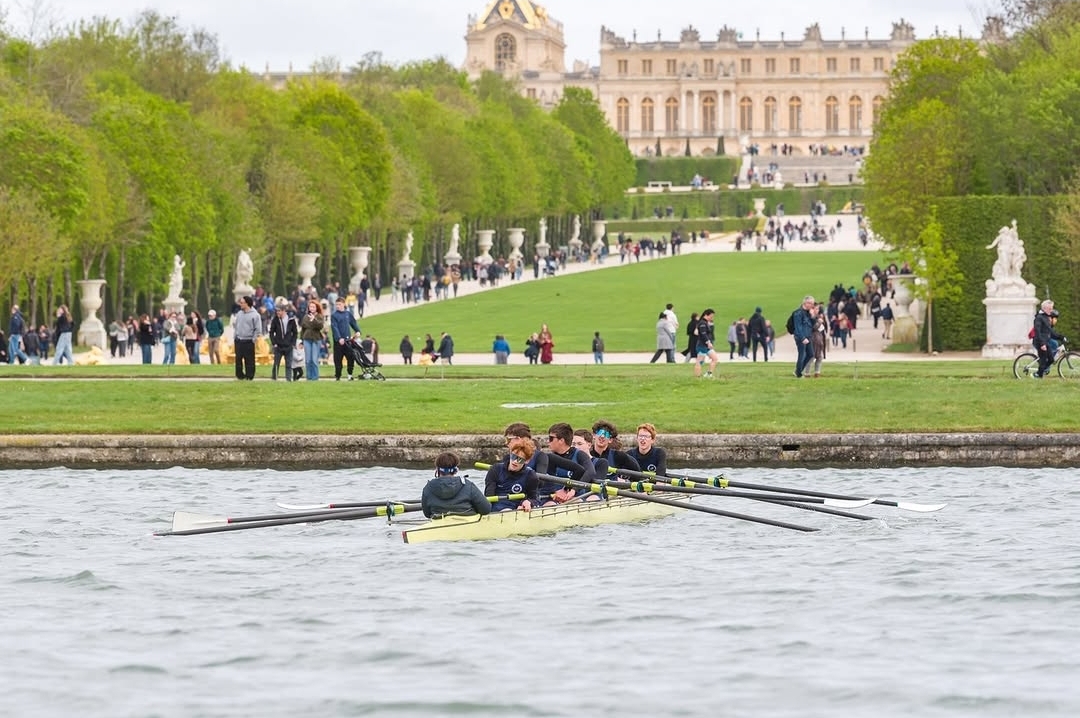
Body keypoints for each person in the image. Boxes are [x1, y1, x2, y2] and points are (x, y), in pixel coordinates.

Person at [421, 452, 492, 519]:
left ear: (437, 470)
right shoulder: (468, 485)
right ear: (456, 470)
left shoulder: (428, 488)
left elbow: (427, 514)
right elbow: (486, 509)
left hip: (440, 527)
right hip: (466, 526)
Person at [541, 423, 598, 503]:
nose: (548, 442)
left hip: (574, 497)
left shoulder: (579, 455)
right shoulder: (550, 458)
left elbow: (591, 472)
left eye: (551, 438)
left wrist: (572, 489)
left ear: (561, 440)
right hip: (553, 498)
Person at [484, 437, 540, 512]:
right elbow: (488, 496)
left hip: (516, 509)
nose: (515, 461)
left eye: (520, 459)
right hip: (495, 508)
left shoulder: (531, 476)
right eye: (513, 456)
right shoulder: (495, 469)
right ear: (510, 453)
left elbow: (534, 499)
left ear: (527, 461)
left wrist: (528, 502)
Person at [329, 297, 361, 381]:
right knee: (338, 360)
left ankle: (350, 375)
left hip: (348, 341)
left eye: (339, 304)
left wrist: (358, 331)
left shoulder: (348, 314)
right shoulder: (334, 316)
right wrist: (339, 338)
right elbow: (334, 328)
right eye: (336, 305)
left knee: (350, 358)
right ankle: (338, 376)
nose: (338, 306)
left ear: (343, 304)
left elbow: (353, 323)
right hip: (338, 342)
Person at [233, 295, 261, 380]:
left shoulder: (255, 315)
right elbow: (236, 325)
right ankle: (240, 375)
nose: (240, 304)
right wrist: (235, 336)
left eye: (242, 303)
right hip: (239, 340)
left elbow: (258, 329)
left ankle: (249, 376)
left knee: (249, 360)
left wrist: (253, 339)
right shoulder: (239, 314)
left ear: (247, 304)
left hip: (248, 340)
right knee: (238, 359)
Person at [1033, 300, 1063, 378]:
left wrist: (1061, 337)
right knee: (1043, 360)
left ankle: (1039, 372)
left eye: (1051, 308)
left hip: (1045, 342)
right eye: (1050, 309)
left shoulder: (1046, 317)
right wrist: (1042, 344)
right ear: (1045, 308)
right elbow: (1037, 332)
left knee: (1051, 360)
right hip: (1040, 342)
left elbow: (1050, 331)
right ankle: (1038, 375)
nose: (1051, 310)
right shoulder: (1039, 318)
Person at [269, 304, 298, 381]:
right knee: (276, 363)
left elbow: (295, 332)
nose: (277, 313)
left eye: (279, 311)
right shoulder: (275, 320)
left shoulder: (291, 320)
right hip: (278, 346)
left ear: (284, 311)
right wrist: (274, 343)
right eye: (276, 311)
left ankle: (288, 379)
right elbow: (271, 332)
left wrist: (293, 343)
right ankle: (274, 378)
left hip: (288, 346)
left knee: (288, 364)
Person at [299, 299, 325, 380]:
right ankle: (309, 377)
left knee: (314, 360)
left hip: (316, 339)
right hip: (307, 339)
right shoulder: (305, 317)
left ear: (317, 308)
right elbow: (303, 329)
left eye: (313, 307)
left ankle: (315, 377)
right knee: (308, 360)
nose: (312, 308)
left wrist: (314, 319)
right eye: (310, 307)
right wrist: (301, 341)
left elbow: (320, 326)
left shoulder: (319, 316)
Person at [792, 295, 815, 378]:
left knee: (811, 354)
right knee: (802, 354)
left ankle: (798, 370)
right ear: (806, 303)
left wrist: (812, 316)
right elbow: (798, 327)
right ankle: (798, 374)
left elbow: (813, 324)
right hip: (801, 337)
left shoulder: (808, 313)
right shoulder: (798, 313)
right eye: (811, 303)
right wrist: (802, 338)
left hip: (808, 336)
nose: (812, 306)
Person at [693, 309, 718, 378]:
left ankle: (709, 374)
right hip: (702, 345)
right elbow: (703, 334)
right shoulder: (702, 323)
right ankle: (697, 377)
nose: (711, 318)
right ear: (706, 315)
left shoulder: (705, 322)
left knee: (715, 359)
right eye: (711, 316)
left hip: (707, 346)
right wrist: (708, 343)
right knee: (700, 362)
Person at [810, 303, 827, 377]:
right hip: (812, 340)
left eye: (818, 309)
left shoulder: (818, 317)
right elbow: (813, 328)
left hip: (819, 340)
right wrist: (819, 322)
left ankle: (817, 372)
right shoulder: (810, 318)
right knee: (811, 357)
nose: (818, 310)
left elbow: (824, 328)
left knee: (819, 357)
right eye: (816, 309)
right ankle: (806, 373)